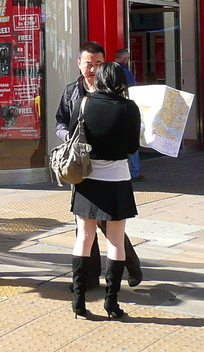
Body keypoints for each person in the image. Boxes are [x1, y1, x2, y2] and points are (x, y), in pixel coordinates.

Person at [56, 42, 143, 289]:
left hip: (109, 167)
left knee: (108, 223)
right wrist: (70, 139)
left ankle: (131, 264)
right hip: (80, 166)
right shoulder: (72, 91)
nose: (92, 69)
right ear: (79, 64)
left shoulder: (119, 95)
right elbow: (61, 121)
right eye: (88, 63)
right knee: (84, 226)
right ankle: (88, 278)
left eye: (97, 64)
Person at [68, 62, 141, 320]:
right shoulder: (129, 108)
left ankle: (78, 299)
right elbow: (132, 148)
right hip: (117, 180)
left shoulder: (85, 104)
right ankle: (111, 302)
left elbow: (73, 136)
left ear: (99, 79)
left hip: (87, 179)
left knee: (84, 238)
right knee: (116, 241)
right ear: (120, 81)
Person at [114, 48, 143, 182]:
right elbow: (133, 91)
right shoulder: (127, 73)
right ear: (125, 59)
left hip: (112, 110)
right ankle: (134, 171)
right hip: (126, 109)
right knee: (132, 139)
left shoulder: (109, 71)